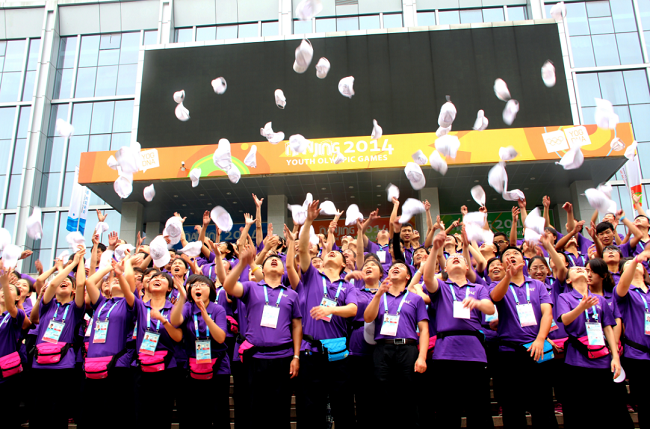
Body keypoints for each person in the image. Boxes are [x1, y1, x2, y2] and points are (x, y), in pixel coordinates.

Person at [223, 244, 302, 429]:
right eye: (269, 260)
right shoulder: (251, 287)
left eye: (277, 260)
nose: (274, 260)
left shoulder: (291, 294)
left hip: (283, 357)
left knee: (280, 409)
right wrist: (242, 264)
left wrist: (296, 356)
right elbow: (228, 286)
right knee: (254, 408)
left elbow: (297, 326)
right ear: (262, 270)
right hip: (255, 358)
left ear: (284, 271)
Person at [423, 231, 495, 428]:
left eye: (461, 258)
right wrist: (435, 249)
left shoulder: (478, 288)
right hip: (446, 353)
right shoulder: (442, 287)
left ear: (467, 267)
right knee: (448, 411)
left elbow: (490, 309)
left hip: (475, 353)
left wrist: (477, 303)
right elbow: (428, 279)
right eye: (451, 259)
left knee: (478, 410)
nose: (456, 258)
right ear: (445, 268)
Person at [296, 200, 358, 429]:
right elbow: (303, 249)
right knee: (311, 409)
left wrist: (331, 309)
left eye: (337, 253)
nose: (332, 253)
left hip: (338, 355)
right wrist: (309, 221)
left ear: (343, 265)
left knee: (343, 408)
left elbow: (353, 309)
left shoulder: (347, 286)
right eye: (329, 252)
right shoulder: (312, 276)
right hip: (311, 353)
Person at [489, 246, 558, 429]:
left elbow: (547, 313)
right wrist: (508, 276)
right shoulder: (498, 284)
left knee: (542, 404)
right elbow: (495, 297)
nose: (511, 256)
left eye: (515, 254)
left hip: (537, 349)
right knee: (512, 405)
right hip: (509, 352)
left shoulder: (538, 285)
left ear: (523, 261)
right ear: (502, 264)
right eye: (507, 255)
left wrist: (540, 339)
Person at [117, 260, 183, 429]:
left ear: (169, 288)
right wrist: (119, 274)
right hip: (141, 367)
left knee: (162, 414)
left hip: (166, 368)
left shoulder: (173, 309)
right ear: (146, 286)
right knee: (141, 414)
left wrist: (164, 321)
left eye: (162, 278)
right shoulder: (140, 306)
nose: (157, 278)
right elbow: (128, 291)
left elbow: (178, 337)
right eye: (154, 278)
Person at [364, 261, 428, 428]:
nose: (395, 268)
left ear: (408, 276)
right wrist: (378, 294)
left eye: (401, 267)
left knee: (409, 397)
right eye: (392, 267)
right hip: (382, 349)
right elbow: (368, 317)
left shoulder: (415, 299)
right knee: (383, 397)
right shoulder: (378, 297)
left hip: (408, 349)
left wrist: (422, 357)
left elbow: (424, 329)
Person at [557, 266, 621, 428]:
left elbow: (608, 327)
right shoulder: (565, 297)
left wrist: (615, 357)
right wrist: (581, 307)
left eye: (583, 269)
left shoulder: (600, 299)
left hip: (602, 358)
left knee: (603, 408)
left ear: (589, 277)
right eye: (575, 269)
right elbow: (565, 320)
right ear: (569, 280)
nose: (580, 269)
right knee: (579, 409)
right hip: (577, 358)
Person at [30, 249, 86, 429]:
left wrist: (80, 262)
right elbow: (53, 283)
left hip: (63, 364)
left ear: (72, 290)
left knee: (58, 407)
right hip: (40, 362)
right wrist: (70, 265)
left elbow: (80, 285)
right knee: (39, 406)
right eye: (63, 280)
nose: (64, 282)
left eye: (68, 282)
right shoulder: (47, 305)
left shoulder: (76, 308)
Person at [82, 257, 137, 429]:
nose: (116, 282)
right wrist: (108, 268)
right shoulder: (102, 303)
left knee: (113, 413)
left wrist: (122, 271)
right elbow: (90, 282)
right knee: (93, 414)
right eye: (113, 281)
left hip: (116, 366)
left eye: (120, 281)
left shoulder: (130, 303)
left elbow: (129, 281)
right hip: (93, 364)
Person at [170, 274, 229, 429]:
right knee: (197, 413)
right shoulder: (188, 307)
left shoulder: (218, 309)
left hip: (218, 365)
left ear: (211, 290)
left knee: (219, 412)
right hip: (193, 366)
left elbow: (220, 338)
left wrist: (207, 318)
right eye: (194, 285)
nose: (198, 287)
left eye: (203, 285)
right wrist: (182, 298)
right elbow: (174, 321)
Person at [615, 250, 650, 428]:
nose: (635, 265)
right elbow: (622, 284)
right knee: (645, 402)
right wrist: (636, 259)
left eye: (638, 264)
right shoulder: (624, 292)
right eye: (627, 264)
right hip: (638, 354)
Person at [0, 264, 28, 429]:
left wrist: (5, 282)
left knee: (7, 415)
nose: (4, 291)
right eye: (2, 290)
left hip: (7, 375)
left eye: (10, 290)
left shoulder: (16, 315)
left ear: (18, 297)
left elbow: (11, 307)